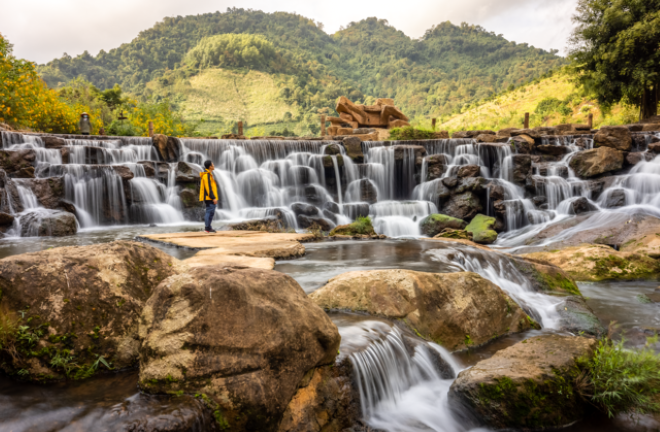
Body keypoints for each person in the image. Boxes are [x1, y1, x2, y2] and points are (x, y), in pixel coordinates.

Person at [199, 160, 218, 233]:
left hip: (209, 197)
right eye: (213, 164)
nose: (214, 166)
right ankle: (207, 228)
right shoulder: (206, 175)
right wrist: (213, 198)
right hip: (209, 197)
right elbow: (208, 188)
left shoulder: (208, 174)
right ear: (210, 166)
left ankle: (209, 227)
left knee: (211, 212)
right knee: (209, 212)